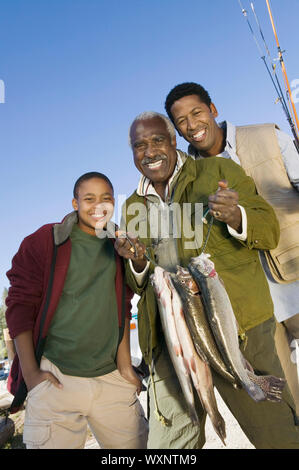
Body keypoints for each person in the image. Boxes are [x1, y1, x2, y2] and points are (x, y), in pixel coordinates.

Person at [115, 111, 299, 449]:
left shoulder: (218, 171)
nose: (150, 151)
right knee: (169, 448)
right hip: (171, 343)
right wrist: (138, 260)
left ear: (173, 141)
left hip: (239, 330)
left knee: (280, 438)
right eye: (140, 145)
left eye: (158, 140)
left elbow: (268, 231)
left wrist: (236, 215)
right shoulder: (131, 207)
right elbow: (138, 282)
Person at [164, 81, 299, 414]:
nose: (192, 125)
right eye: (182, 121)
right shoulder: (186, 182)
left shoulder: (267, 136)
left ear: (213, 110)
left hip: (294, 276)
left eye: (197, 112)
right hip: (253, 311)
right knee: (290, 401)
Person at [5, 171, 148, 449]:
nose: (99, 206)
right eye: (89, 199)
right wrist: (32, 374)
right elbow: (19, 308)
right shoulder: (45, 241)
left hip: (109, 378)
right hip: (56, 378)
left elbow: (121, 307)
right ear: (74, 203)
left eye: (106, 198)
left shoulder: (119, 244)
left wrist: (124, 367)